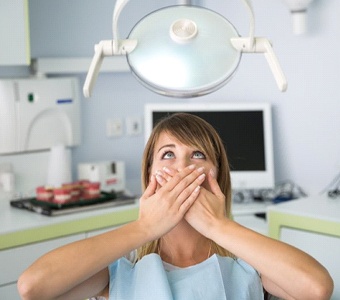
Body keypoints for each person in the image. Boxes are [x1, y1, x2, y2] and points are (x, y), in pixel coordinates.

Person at [18, 113, 333, 300]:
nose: (182, 167)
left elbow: (316, 288)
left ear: (218, 175)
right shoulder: (120, 274)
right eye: (168, 154)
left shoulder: (247, 269)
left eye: (198, 155)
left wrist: (217, 225)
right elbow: (32, 286)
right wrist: (145, 227)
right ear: (148, 176)